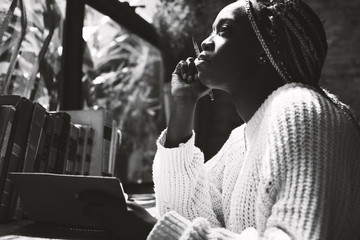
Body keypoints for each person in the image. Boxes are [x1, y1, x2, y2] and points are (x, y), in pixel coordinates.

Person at [77, 0, 360, 239]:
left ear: (266, 51)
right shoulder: (242, 138)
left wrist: (150, 231)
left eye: (224, 30)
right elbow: (182, 214)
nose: (205, 41)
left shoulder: (300, 110)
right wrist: (183, 106)